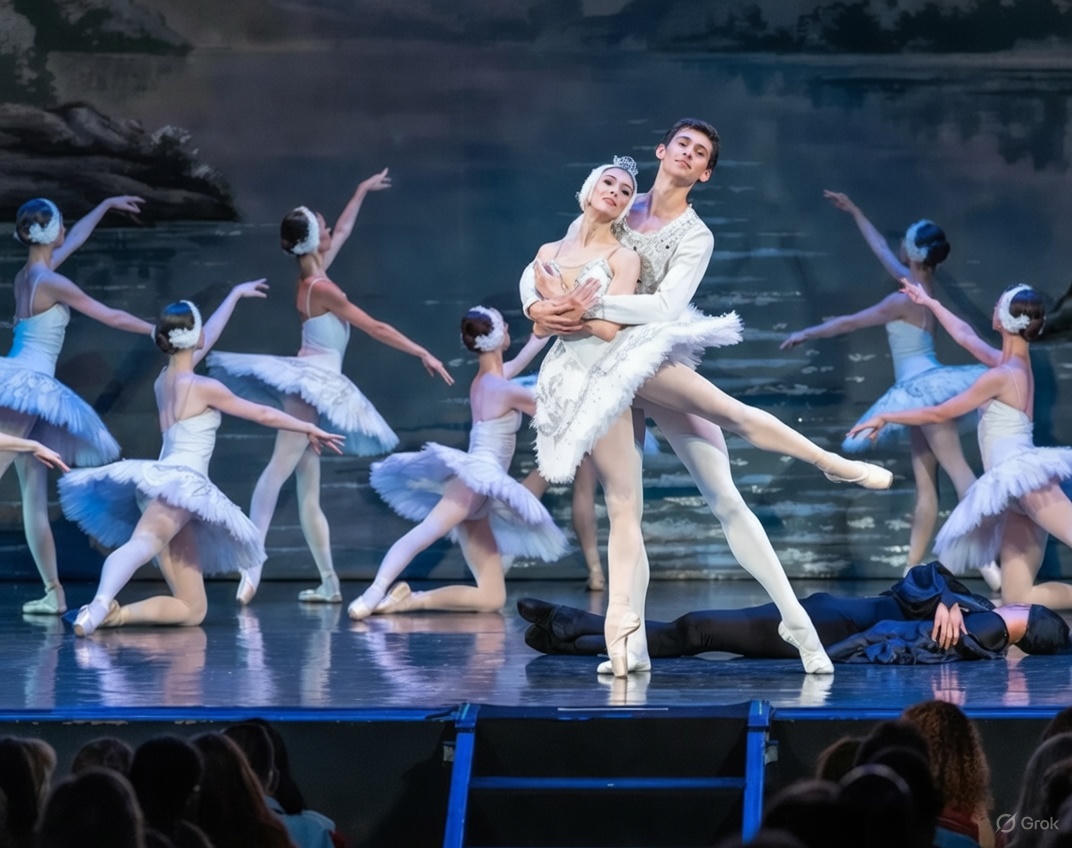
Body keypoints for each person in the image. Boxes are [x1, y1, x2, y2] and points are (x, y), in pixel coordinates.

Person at [523, 123, 890, 676]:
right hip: (599, 369)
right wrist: (535, 306)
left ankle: (801, 589)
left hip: (646, 350)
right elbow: (553, 260)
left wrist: (589, 312)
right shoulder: (617, 200)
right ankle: (630, 641)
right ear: (662, 152)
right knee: (626, 508)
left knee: (726, 486)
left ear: (704, 172)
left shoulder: (694, 234)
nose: (688, 155)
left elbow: (666, 306)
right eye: (682, 145)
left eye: (700, 153)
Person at [207, 171, 454, 605]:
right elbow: (373, 326)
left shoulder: (315, 272)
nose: (328, 228)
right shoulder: (321, 287)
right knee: (277, 471)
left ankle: (329, 582)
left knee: (307, 491)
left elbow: (342, 229)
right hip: (310, 386)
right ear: (311, 240)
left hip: (317, 383)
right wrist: (421, 352)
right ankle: (252, 562)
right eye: (320, 225)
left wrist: (359, 190)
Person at [58, 288, 344, 636]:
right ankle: (98, 605)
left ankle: (115, 615)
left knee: (193, 609)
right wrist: (308, 425)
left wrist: (234, 296)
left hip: (161, 487)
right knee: (143, 542)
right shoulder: (204, 387)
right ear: (195, 337)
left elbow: (204, 339)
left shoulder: (163, 380)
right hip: (179, 486)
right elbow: (263, 414)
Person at [782, 193, 992, 583]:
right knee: (927, 486)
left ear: (911, 254)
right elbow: (882, 249)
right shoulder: (921, 284)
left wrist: (807, 332)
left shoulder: (901, 300)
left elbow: (849, 322)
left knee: (959, 474)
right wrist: (858, 210)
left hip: (922, 390)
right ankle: (910, 570)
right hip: (920, 387)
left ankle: (989, 563)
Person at [849, 283, 1072, 609]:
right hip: (1011, 490)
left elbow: (940, 411)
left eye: (997, 305)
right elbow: (966, 336)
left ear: (1005, 320)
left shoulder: (1002, 375)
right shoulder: (1008, 365)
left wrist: (885, 415)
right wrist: (930, 302)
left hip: (1024, 477)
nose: (992, 309)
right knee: (1016, 597)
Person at [348, 309, 566, 618]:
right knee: (423, 534)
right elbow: (555, 420)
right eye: (505, 327)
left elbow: (515, 365)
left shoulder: (486, 381)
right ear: (498, 338)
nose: (508, 330)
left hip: (483, 496)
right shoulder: (505, 390)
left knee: (492, 598)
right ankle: (372, 593)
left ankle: (410, 600)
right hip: (473, 482)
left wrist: (539, 337)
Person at [2, 195, 154, 616]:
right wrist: (156, 330)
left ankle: (54, 592)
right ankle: (52, 590)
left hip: (27, 382)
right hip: (27, 385)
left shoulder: (30, 274)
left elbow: (76, 240)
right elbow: (112, 316)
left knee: (34, 496)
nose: (67, 230)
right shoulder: (50, 282)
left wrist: (104, 205)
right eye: (62, 224)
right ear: (49, 231)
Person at [518, 561, 1070, 662]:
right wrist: (947, 598)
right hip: (829, 613)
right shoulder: (976, 611)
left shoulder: (988, 630)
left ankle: (575, 632)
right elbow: (920, 580)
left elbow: (895, 637)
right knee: (695, 631)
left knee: (698, 631)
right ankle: (571, 627)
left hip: (825, 627)